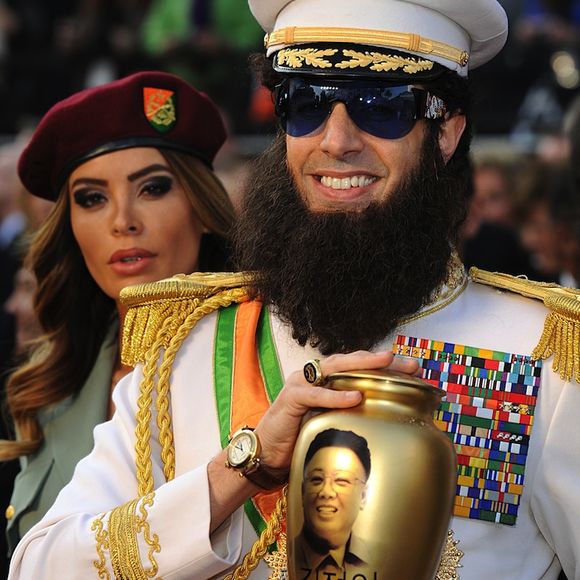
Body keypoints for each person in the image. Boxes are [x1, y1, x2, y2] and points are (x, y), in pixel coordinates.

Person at [8, 1, 580, 579]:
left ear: (447, 132)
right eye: (305, 105)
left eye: (380, 107)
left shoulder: (544, 354)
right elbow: (38, 567)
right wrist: (241, 472)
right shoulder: (191, 346)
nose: (335, 141)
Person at [0, 70, 235, 557]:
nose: (122, 220)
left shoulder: (266, 354)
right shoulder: (52, 382)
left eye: (152, 188)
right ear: (70, 225)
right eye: (92, 198)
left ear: (202, 208)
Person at [295, 429, 371, 576]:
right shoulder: (289, 554)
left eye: (341, 480)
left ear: (363, 496)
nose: (326, 492)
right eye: (317, 479)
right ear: (303, 490)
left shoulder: (382, 559)